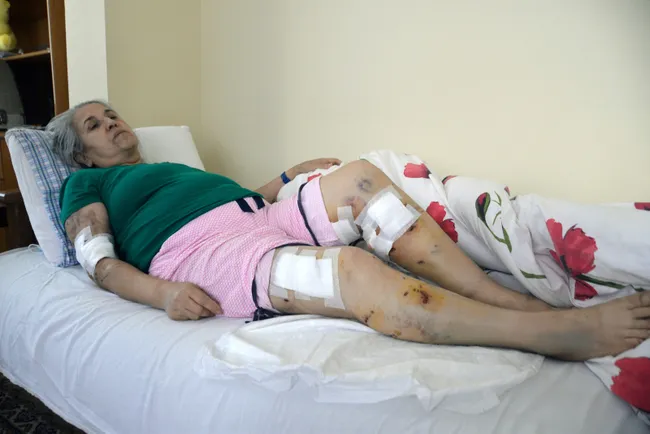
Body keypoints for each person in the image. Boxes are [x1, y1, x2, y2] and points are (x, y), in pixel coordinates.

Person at [47, 100, 650, 362]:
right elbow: (99, 262)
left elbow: (234, 199)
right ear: (82, 153)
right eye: (96, 125)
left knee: (361, 177)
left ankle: (502, 296)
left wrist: (287, 177)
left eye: (112, 114)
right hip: (202, 254)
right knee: (353, 269)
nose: (112, 123)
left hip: (256, 215)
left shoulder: (171, 168)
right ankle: (544, 334)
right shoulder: (87, 185)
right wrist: (162, 294)